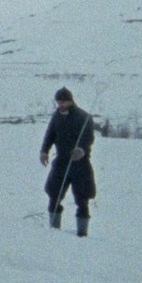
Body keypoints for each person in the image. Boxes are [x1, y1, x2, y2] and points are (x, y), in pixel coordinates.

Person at [40, 87, 96, 237]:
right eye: (59, 102)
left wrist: (81, 149)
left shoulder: (83, 117)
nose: (61, 105)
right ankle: (54, 230)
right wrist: (44, 151)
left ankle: (82, 233)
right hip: (61, 163)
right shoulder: (56, 116)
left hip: (80, 164)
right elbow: (50, 134)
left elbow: (88, 137)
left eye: (64, 102)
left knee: (82, 199)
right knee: (54, 195)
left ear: (70, 101)